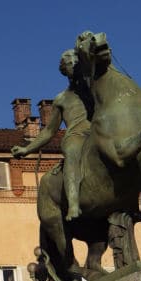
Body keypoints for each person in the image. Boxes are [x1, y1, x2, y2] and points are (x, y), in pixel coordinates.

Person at [11, 49, 93, 222]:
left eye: (76, 61)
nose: (74, 64)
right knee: (72, 153)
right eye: (69, 63)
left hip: (98, 131)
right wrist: (27, 150)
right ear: (65, 70)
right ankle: (73, 203)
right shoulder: (61, 99)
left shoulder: (95, 89)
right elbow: (49, 131)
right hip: (76, 136)